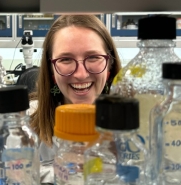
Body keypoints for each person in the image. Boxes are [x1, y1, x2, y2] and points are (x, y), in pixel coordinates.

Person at [29, 15, 122, 162]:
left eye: (93, 57)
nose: (81, 74)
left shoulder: (133, 130)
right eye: (65, 59)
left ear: (109, 65)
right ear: (51, 70)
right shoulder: (26, 127)